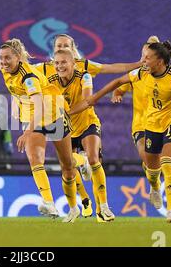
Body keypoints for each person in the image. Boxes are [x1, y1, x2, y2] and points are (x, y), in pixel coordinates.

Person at [70, 40, 171, 223]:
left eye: (147, 58)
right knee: (152, 167)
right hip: (150, 124)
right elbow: (119, 81)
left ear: (159, 61)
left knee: (168, 162)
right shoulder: (142, 73)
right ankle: (154, 186)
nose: (143, 61)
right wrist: (97, 97)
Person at [0, 38, 87, 223]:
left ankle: (82, 159)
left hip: (52, 116)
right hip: (32, 121)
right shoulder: (7, 69)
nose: (3, 62)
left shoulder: (29, 78)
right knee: (35, 159)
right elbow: (5, 69)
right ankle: (49, 202)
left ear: (18, 58)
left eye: (7, 58)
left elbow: (40, 107)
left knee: (68, 164)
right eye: (1, 58)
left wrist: (27, 132)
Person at [50, 49, 115, 222]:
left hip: (87, 124)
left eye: (64, 62)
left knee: (94, 160)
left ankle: (104, 207)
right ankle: (74, 208)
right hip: (67, 129)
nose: (60, 66)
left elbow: (87, 101)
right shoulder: (50, 82)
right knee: (67, 168)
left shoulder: (84, 76)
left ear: (73, 63)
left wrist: (66, 113)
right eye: (57, 63)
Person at [111, 36, 163, 209]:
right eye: (143, 54)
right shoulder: (137, 74)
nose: (145, 58)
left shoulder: (165, 74)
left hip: (161, 124)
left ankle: (156, 184)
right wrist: (117, 93)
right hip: (140, 125)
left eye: (148, 55)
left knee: (159, 161)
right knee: (146, 155)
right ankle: (155, 188)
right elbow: (120, 86)